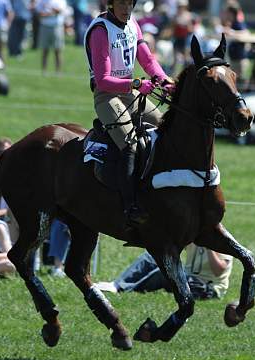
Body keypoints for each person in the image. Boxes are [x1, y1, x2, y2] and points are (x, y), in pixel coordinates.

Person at [83, 0, 173, 226]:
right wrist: (135, 84)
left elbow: (148, 59)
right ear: (111, 4)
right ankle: (130, 206)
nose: (126, 8)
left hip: (129, 93)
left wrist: (164, 80)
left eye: (129, 3)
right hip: (107, 96)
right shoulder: (100, 30)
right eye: (121, 3)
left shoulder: (133, 23)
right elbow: (103, 81)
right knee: (130, 143)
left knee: (165, 127)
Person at [94, 244, 233, 299]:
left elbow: (219, 270)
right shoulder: (196, 234)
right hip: (188, 279)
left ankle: (124, 290)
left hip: (207, 288)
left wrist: (209, 247)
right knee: (152, 256)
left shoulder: (220, 241)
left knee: (164, 273)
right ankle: (117, 285)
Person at [35, 0, 67, 73]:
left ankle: (58, 71)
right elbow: (38, 12)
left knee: (58, 50)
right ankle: (44, 71)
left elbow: (61, 10)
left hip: (57, 27)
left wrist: (49, 11)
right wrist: (50, 13)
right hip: (45, 26)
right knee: (45, 50)